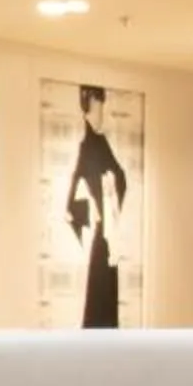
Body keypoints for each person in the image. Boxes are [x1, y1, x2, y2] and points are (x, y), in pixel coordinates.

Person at [66, 84, 128, 329]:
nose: (100, 116)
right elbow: (74, 184)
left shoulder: (100, 143)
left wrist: (111, 194)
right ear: (87, 112)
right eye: (97, 111)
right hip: (102, 230)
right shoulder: (88, 146)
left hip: (106, 230)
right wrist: (85, 213)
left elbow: (120, 175)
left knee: (104, 287)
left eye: (102, 111)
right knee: (100, 289)